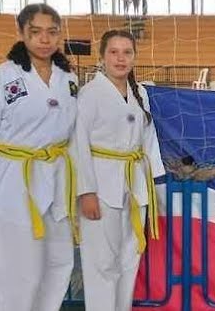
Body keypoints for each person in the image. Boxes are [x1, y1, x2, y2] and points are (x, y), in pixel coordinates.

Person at [0, 3, 78, 311]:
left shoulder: (68, 77)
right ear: (21, 33)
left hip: (56, 180)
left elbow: (72, 132)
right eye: (36, 32)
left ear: (60, 35)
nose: (45, 39)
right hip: (12, 183)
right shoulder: (4, 78)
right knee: (18, 273)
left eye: (52, 32)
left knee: (59, 262)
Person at [72, 29, 166, 311]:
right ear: (102, 57)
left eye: (127, 52)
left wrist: (156, 192)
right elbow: (77, 144)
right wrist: (85, 191)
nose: (120, 58)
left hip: (134, 189)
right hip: (100, 189)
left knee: (128, 260)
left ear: (135, 57)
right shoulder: (88, 94)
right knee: (101, 264)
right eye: (114, 52)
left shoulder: (140, 96)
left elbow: (149, 145)